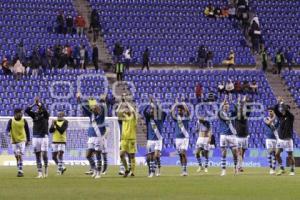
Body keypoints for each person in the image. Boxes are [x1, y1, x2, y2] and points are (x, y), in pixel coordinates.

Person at [77, 93, 107, 179]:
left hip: (98, 137)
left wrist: (103, 100)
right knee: (88, 155)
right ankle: (94, 169)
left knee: (98, 155)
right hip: (91, 138)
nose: (93, 107)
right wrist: (79, 99)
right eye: (93, 107)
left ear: (98, 109)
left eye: (95, 107)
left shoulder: (101, 116)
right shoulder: (91, 115)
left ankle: (98, 173)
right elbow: (83, 107)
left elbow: (104, 107)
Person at [25, 97, 49, 178]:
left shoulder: (46, 115)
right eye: (37, 107)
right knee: (37, 155)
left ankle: (46, 170)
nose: (37, 108)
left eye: (39, 107)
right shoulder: (34, 115)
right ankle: (39, 173)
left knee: (44, 154)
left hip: (44, 137)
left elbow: (45, 111)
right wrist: (34, 104)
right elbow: (26, 110)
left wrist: (40, 104)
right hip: (35, 137)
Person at [143, 97, 166, 177]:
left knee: (156, 156)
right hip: (150, 140)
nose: (151, 111)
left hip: (158, 139)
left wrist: (155, 105)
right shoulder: (148, 119)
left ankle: (154, 171)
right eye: (151, 110)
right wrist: (149, 104)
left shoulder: (160, 118)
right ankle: (151, 170)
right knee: (149, 157)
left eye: (153, 110)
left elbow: (164, 113)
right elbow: (144, 111)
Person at [6, 108, 30, 177]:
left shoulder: (24, 120)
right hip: (14, 141)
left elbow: (27, 130)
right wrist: (8, 133)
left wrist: (28, 140)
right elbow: (7, 129)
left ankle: (20, 171)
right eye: (20, 112)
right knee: (17, 156)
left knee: (20, 155)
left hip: (22, 140)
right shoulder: (11, 121)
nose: (22, 114)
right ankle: (19, 165)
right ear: (16, 113)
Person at [274, 98, 295, 176]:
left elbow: (286, 111)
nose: (282, 110)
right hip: (280, 140)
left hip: (288, 140)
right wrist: (278, 103)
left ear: (287, 110)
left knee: (290, 155)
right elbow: (275, 110)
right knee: (276, 154)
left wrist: (282, 103)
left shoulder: (291, 117)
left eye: (284, 109)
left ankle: (292, 169)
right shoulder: (280, 117)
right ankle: (282, 168)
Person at [117, 99, 138, 177]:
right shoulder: (123, 117)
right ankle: (126, 169)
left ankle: (132, 171)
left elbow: (133, 111)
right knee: (121, 155)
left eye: (127, 108)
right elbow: (117, 112)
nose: (125, 110)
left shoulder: (133, 117)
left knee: (132, 156)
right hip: (124, 139)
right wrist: (121, 103)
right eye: (125, 109)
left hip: (131, 139)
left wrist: (126, 102)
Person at [218, 98, 238, 176]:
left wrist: (233, 102)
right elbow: (219, 111)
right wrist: (222, 103)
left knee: (235, 153)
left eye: (227, 105)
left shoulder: (231, 113)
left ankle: (235, 167)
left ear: (229, 106)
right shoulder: (221, 113)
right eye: (225, 105)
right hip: (223, 135)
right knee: (223, 153)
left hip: (232, 135)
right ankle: (223, 170)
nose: (226, 106)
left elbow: (237, 110)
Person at [171, 99, 190, 176]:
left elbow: (188, 111)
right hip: (177, 138)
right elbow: (171, 112)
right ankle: (183, 169)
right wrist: (175, 104)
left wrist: (183, 103)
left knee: (183, 153)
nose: (179, 111)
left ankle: (185, 170)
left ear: (183, 111)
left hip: (185, 138)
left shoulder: (186, 117)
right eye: (178, 110)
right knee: (180, 155)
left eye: (180, 110)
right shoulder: (176, 118)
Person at [235, 95, 251, 172]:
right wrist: (240, 102)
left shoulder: (245, 116)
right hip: (238, 137)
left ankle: (240, 166)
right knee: (239, 152)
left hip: (245, 136)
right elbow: (237, 109)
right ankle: (238, 167)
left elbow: (248, 109)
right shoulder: (236, 116)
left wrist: (245, 102)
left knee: (243, 153)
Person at [264, 107, 279, 175]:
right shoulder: (266, 118)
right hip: (269, 138)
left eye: (271, 111)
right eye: (269, 111)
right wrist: (275, 116)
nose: (269, 112)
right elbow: (268, 122)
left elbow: (277, 127)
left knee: (275, 154)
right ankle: (270, 168)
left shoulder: (277, 119)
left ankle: (273, 169)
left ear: (273, 112)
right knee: (269, 153)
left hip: (275, 138)